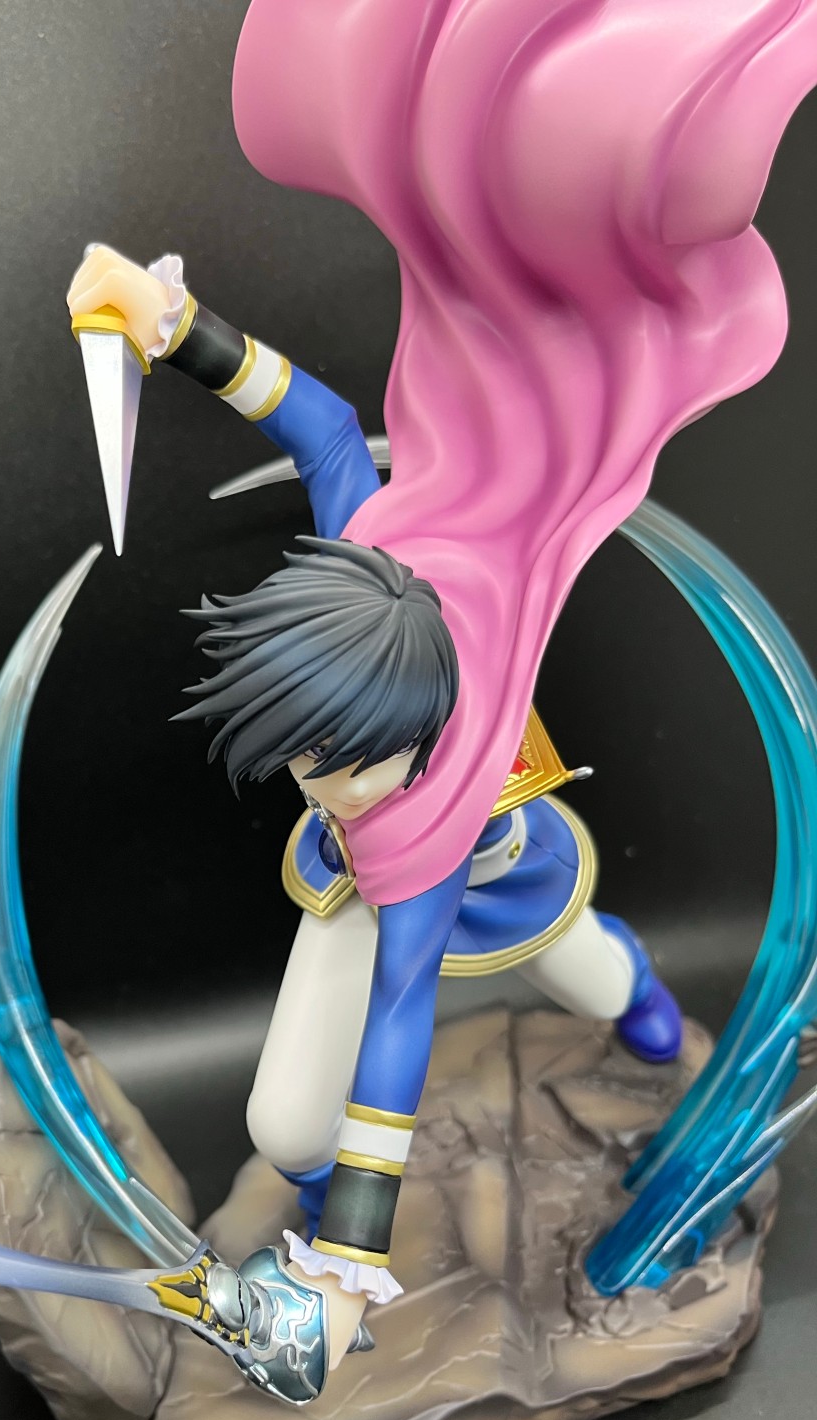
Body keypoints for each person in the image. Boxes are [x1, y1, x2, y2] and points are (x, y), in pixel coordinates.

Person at [67, 244, 682, 1360]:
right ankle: (313, 1222)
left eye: (342, 762)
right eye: (302, 757)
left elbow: (401, 1019)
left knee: (597, 981)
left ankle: (639, 988)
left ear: (413, 740)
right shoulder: (379, 565)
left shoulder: (429, 818)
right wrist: (175, 325)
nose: (318, 783)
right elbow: (328, 430)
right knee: (284, 1123)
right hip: (357, 881)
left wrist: (357, 1257)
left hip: (493, 871)